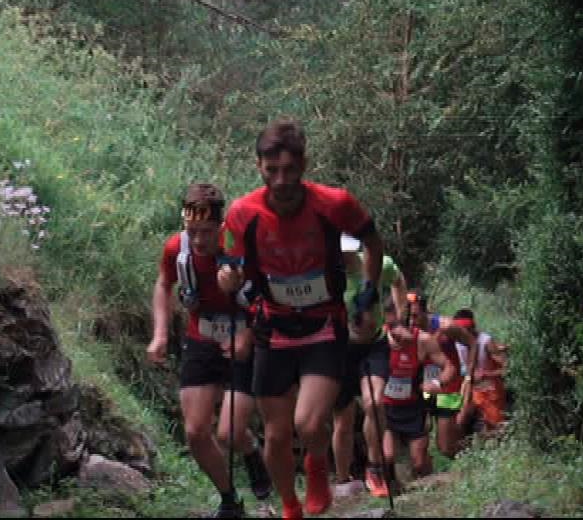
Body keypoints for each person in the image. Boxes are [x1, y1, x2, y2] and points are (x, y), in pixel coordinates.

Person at [217, 118, 385, 519]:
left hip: (324, 324)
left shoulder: (335, 203)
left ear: (304, 165)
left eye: (289, 169)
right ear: (258, 167)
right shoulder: (242, 213)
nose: (281, 180)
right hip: (273, 327)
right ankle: (290, 505)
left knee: (309, 424)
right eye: (272, 170)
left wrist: (368, 292)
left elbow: (372, 242)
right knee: (276, 435)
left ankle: (317, 465)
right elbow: (228, 265)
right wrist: (228, 279)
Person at [146, 183, 271, 519]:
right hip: (201, 337)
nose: (199, 240)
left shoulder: (244, 249)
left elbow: (270, 298)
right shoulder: (177, 249)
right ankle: (229, 500)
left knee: (229, 432)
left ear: (222, 225)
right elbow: (163, 283)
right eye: (192, 231)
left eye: (207, 232)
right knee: (195, 432)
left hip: (243, 339)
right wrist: (160, 334)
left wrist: (248, 335)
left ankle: (251, 451)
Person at [332, 234, 407, 499]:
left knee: (375, 403)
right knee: (343, 418)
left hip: (374, 344)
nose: (342, 257)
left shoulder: (378, 265)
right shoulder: (326, 274)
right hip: (340, 349)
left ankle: (374, 468)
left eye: (346, 252)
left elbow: (398, 281)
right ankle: (343, 479)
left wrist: (399, 321)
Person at [381, 312, 456, 492]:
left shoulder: (423, 340)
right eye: (395, 337)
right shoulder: (378, 340)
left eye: (403, 338)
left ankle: (430, 486)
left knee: (420, 461)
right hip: (387, 407)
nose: (399, 341)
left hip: (415, 406)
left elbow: (449, 367)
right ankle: (393, 490)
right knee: (387, 456)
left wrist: (437, 383)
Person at [406, 290, 477, 458]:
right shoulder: (406, 330)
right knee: (419, 439)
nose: (411, 321)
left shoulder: (446, 326)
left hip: (448, 389)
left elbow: (472, 343)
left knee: (446, 448)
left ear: (425, 311)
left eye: (415, 316)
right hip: (423, 387)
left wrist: (469, 375)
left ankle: (474, 452)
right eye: (408, 316)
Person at [452, 309, 508, 433]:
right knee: (458, 418)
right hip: (466, 389)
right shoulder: (454, 343)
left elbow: (507, 369)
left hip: (489, 390)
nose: (464, 333)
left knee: (495, 429)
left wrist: (486, 374)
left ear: (473, 326)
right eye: (460, 331)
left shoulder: (486, 341)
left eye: (467, 329)